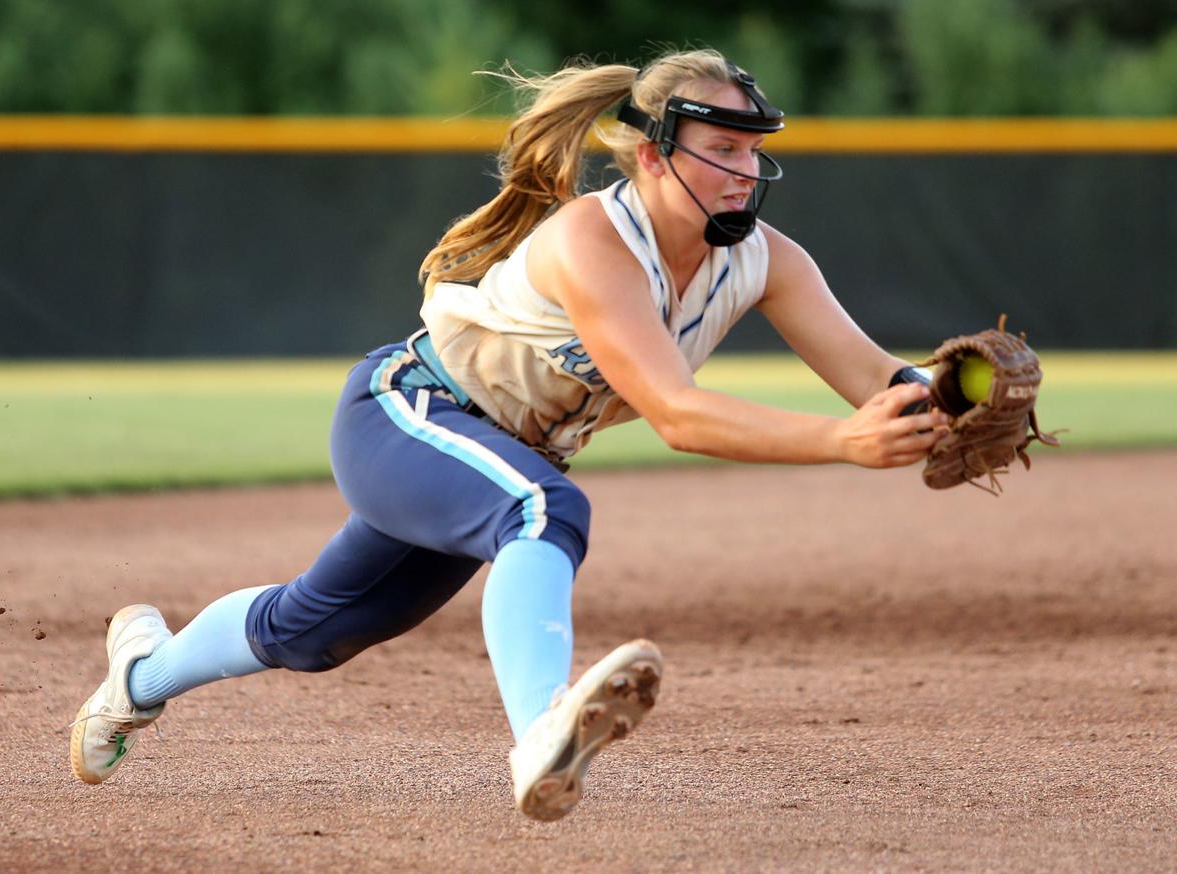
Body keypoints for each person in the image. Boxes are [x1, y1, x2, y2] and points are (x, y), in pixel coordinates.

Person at [69, 47, 946, 822]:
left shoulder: (766, 260)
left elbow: (880, 378)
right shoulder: (594, 239)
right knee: (543, 512)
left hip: (490, 458)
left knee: (315, 630)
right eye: (722, 149)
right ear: (652, 155)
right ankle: (542, 738)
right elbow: (676, 414)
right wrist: (842, 443)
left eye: (753, 150)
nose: (745, 170)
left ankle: (137, 678)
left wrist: (958, 398)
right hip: (410, 412)